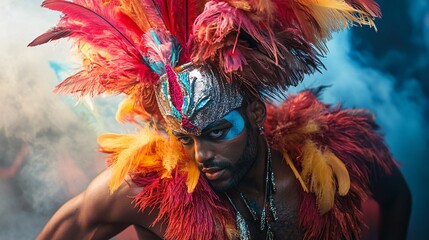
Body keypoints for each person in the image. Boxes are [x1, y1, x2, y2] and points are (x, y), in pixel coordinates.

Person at [30, 0, 411, 239]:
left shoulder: (338, 156)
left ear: (255, 112)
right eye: (185, 138)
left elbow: (397, 198)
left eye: (217, 131)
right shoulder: (148, 193)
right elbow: (69, 227)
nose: (202, 154)